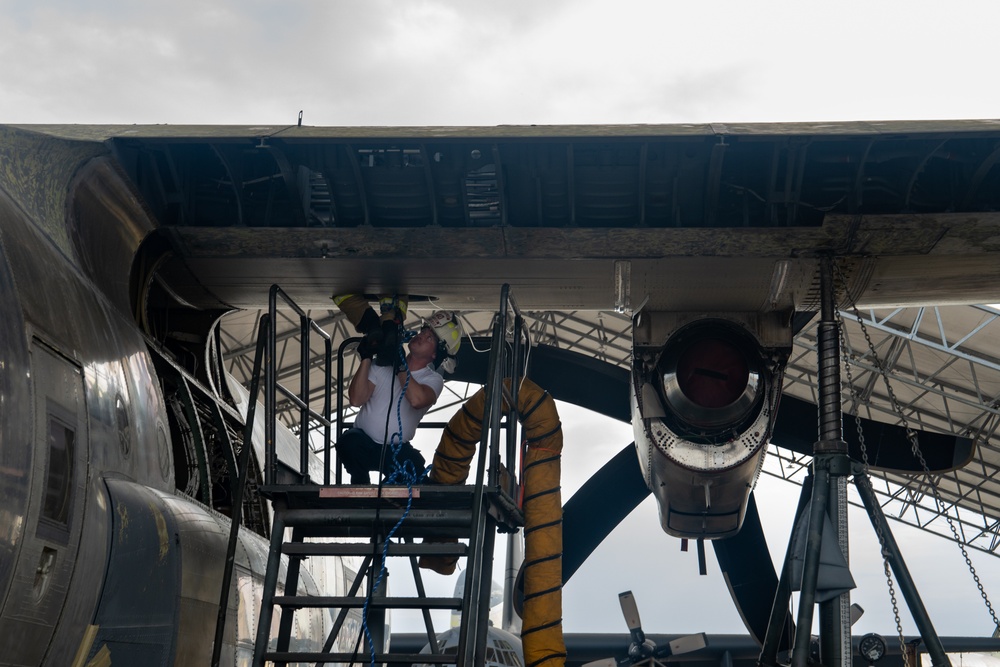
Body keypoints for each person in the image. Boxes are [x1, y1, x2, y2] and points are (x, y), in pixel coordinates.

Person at [332, 294, 462, 484]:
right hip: (364, 443)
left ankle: (389, 499)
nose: (420, 336)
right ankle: (360, 488)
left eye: (428, 338)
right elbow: (356, 400)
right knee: (348, 442)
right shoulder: (381, 366)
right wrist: (366, 358)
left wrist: (400, 366)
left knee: (414, 469)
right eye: (422, 332)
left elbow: (417, 400)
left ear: (435, 354)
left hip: (397, 450)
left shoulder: (432, 380)